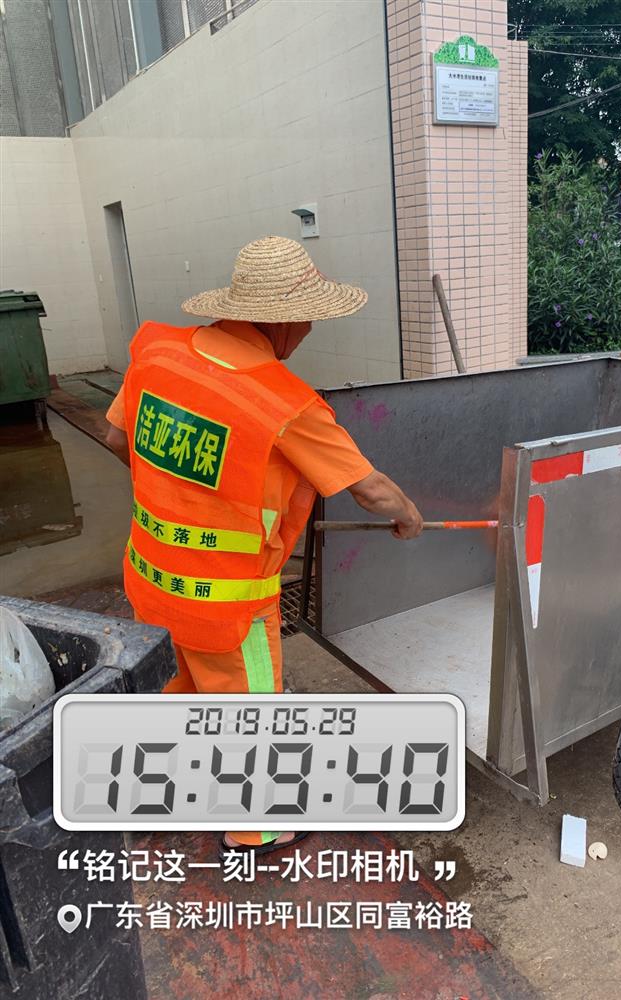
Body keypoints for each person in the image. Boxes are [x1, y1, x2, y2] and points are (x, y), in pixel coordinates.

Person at [105, 236, 423, 855]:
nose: (309, 330)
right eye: (307, 317)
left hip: (151, 576)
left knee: (179, 689)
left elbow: (119, 440)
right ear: (280, 321)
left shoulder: (158, 353)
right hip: (229, 605)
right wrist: (409, 516)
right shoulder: (285, 404)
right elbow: (370, 490)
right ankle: (259, 829)